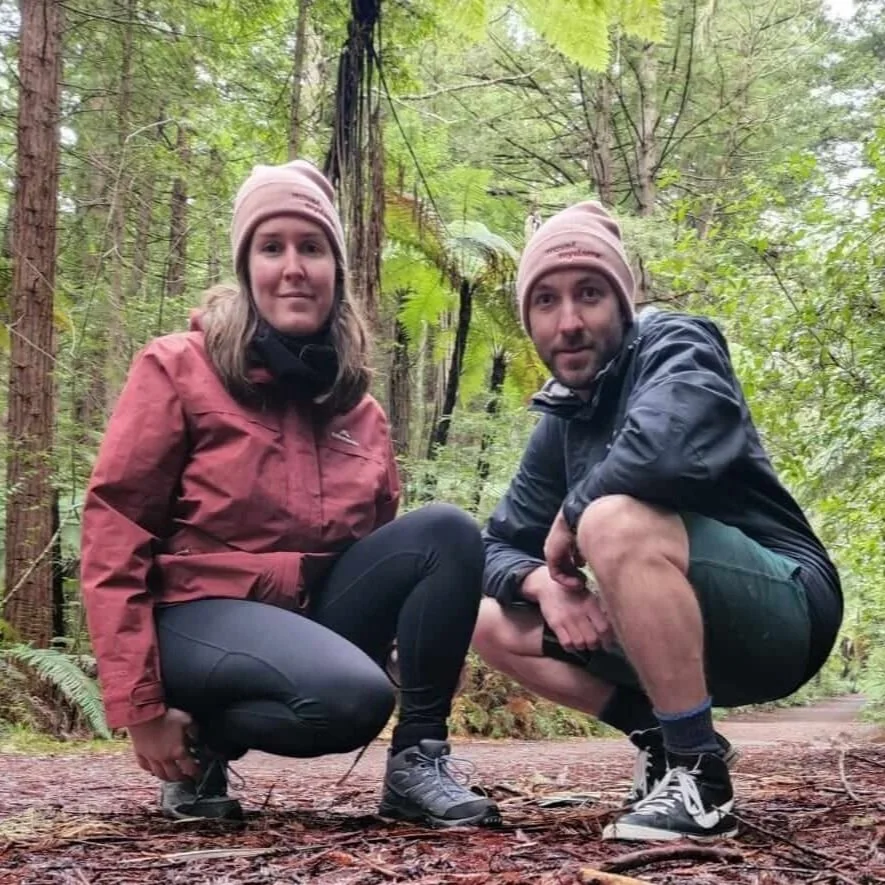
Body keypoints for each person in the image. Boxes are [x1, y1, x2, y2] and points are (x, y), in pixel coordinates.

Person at [80, 158, 500, 829]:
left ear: (337, 270)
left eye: (312, 247)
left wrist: (411, 649)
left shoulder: (359, 411)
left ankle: (417, 762)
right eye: (271, 248)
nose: (293, 268)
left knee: (445, 531)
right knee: (349, 697)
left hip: (304, 619)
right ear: (247, 268)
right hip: (193, 616)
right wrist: (141, 703)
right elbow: (115, 530)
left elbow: (378, 557)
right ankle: (198, 748)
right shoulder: (177, 368)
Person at [472, 201, 842, 842]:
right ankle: (665, 741)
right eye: (546, 302)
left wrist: (572, 514)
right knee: (484, 617)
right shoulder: (562, 422)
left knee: (610, 520)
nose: (569, 322)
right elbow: (495, 545)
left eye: (589, 294)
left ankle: (701, 778)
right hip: (668, 634)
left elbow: (666, 449)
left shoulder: (677, 344)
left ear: (623, 303)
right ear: (529, 321)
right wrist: (541, 586)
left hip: (784, 613)